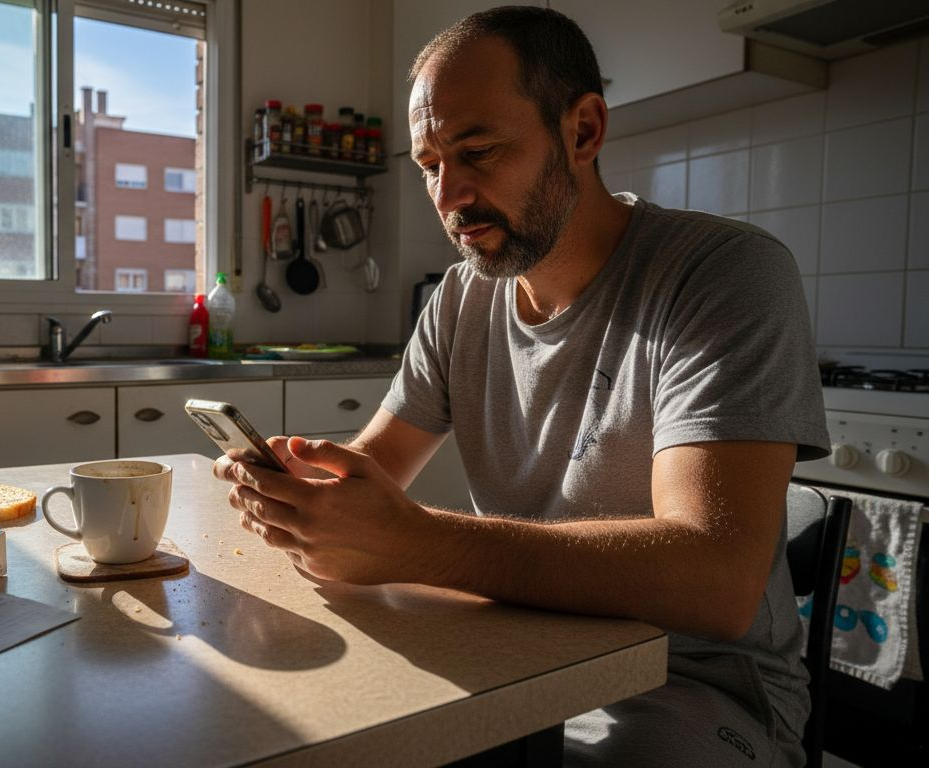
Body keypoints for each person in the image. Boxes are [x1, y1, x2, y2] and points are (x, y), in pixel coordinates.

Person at [213, 6, 829, 767]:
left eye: (478, 151)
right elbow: (375, 463)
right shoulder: (459, 299)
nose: (449, 196)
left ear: (583, 132)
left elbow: (716, 580)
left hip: (689, 684)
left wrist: (413, 542)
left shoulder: (722, 275)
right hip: (512, 653)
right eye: (431, 165)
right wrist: (305, 492)